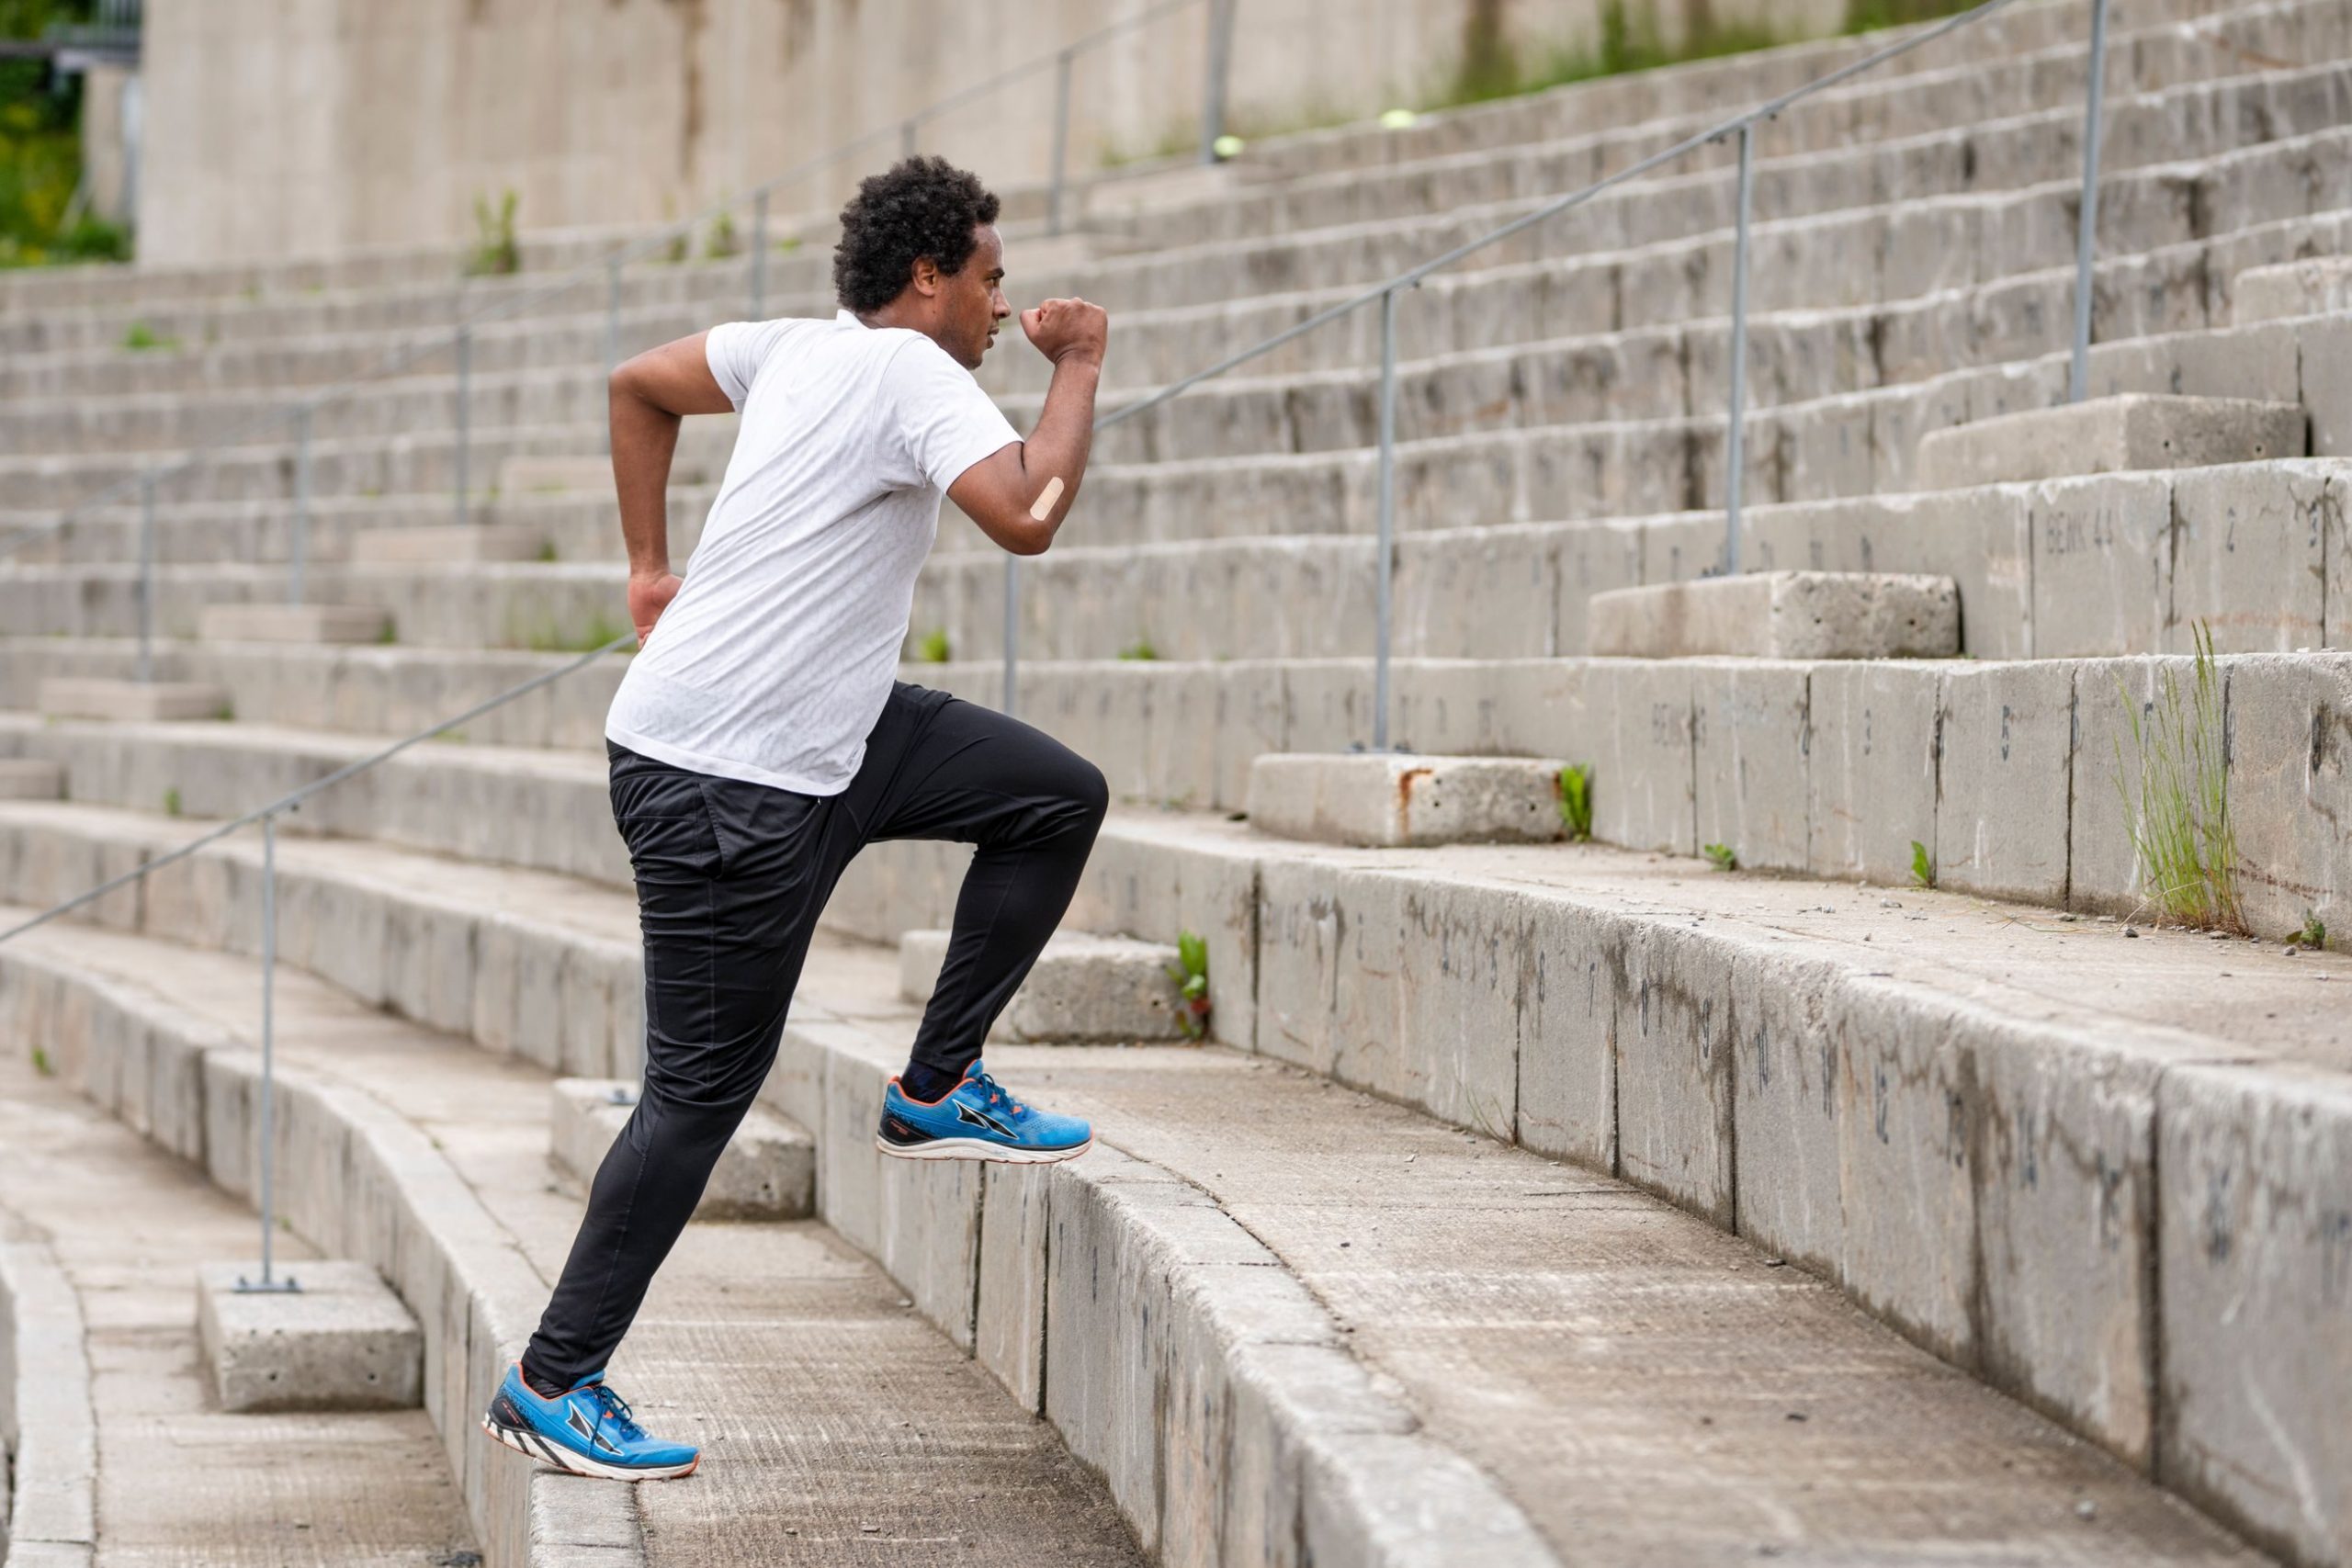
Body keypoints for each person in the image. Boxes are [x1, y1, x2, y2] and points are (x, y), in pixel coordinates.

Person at [482, 156, 1110, 1482]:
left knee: (1054, 797)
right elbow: (1029, 515)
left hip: (828, 733)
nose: (1002, 306)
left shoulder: (790, 350)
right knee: (700, 1092)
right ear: (928, 276)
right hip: (727, 778)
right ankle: (555, 1379)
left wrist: (649, 565)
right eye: (990, 279)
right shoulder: (911, 372)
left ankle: (939, 1085)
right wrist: (1080, 365)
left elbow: (637, 385)